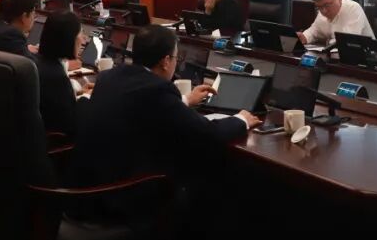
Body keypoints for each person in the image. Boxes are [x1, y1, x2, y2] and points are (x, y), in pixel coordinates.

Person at [70, 25, 260, 219]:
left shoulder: (110, 76)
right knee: (205, 178)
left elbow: (143, 107)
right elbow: (207, 133)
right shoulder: (157, 89)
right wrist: (241, 120)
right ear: (166, 62)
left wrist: (185, 100)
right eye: (176, 58)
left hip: (85, 191)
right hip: (119, 200)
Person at [33, 11, 90, 137]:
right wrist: (87, 97)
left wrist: (78, 92)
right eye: (81, 33)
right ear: (68, 38)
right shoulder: (56, 76)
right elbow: (71, 123)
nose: (83, 40)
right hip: (58, 143)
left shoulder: (38, 62)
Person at [296, 0, 372, 47]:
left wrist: (328, 42)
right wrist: (304, 37)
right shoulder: (322, 13)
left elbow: (347, 41)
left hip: (369, 56)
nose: (324, 11)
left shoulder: (353, 9)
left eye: (327, 5)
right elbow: (313, 31)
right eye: (319, 7)